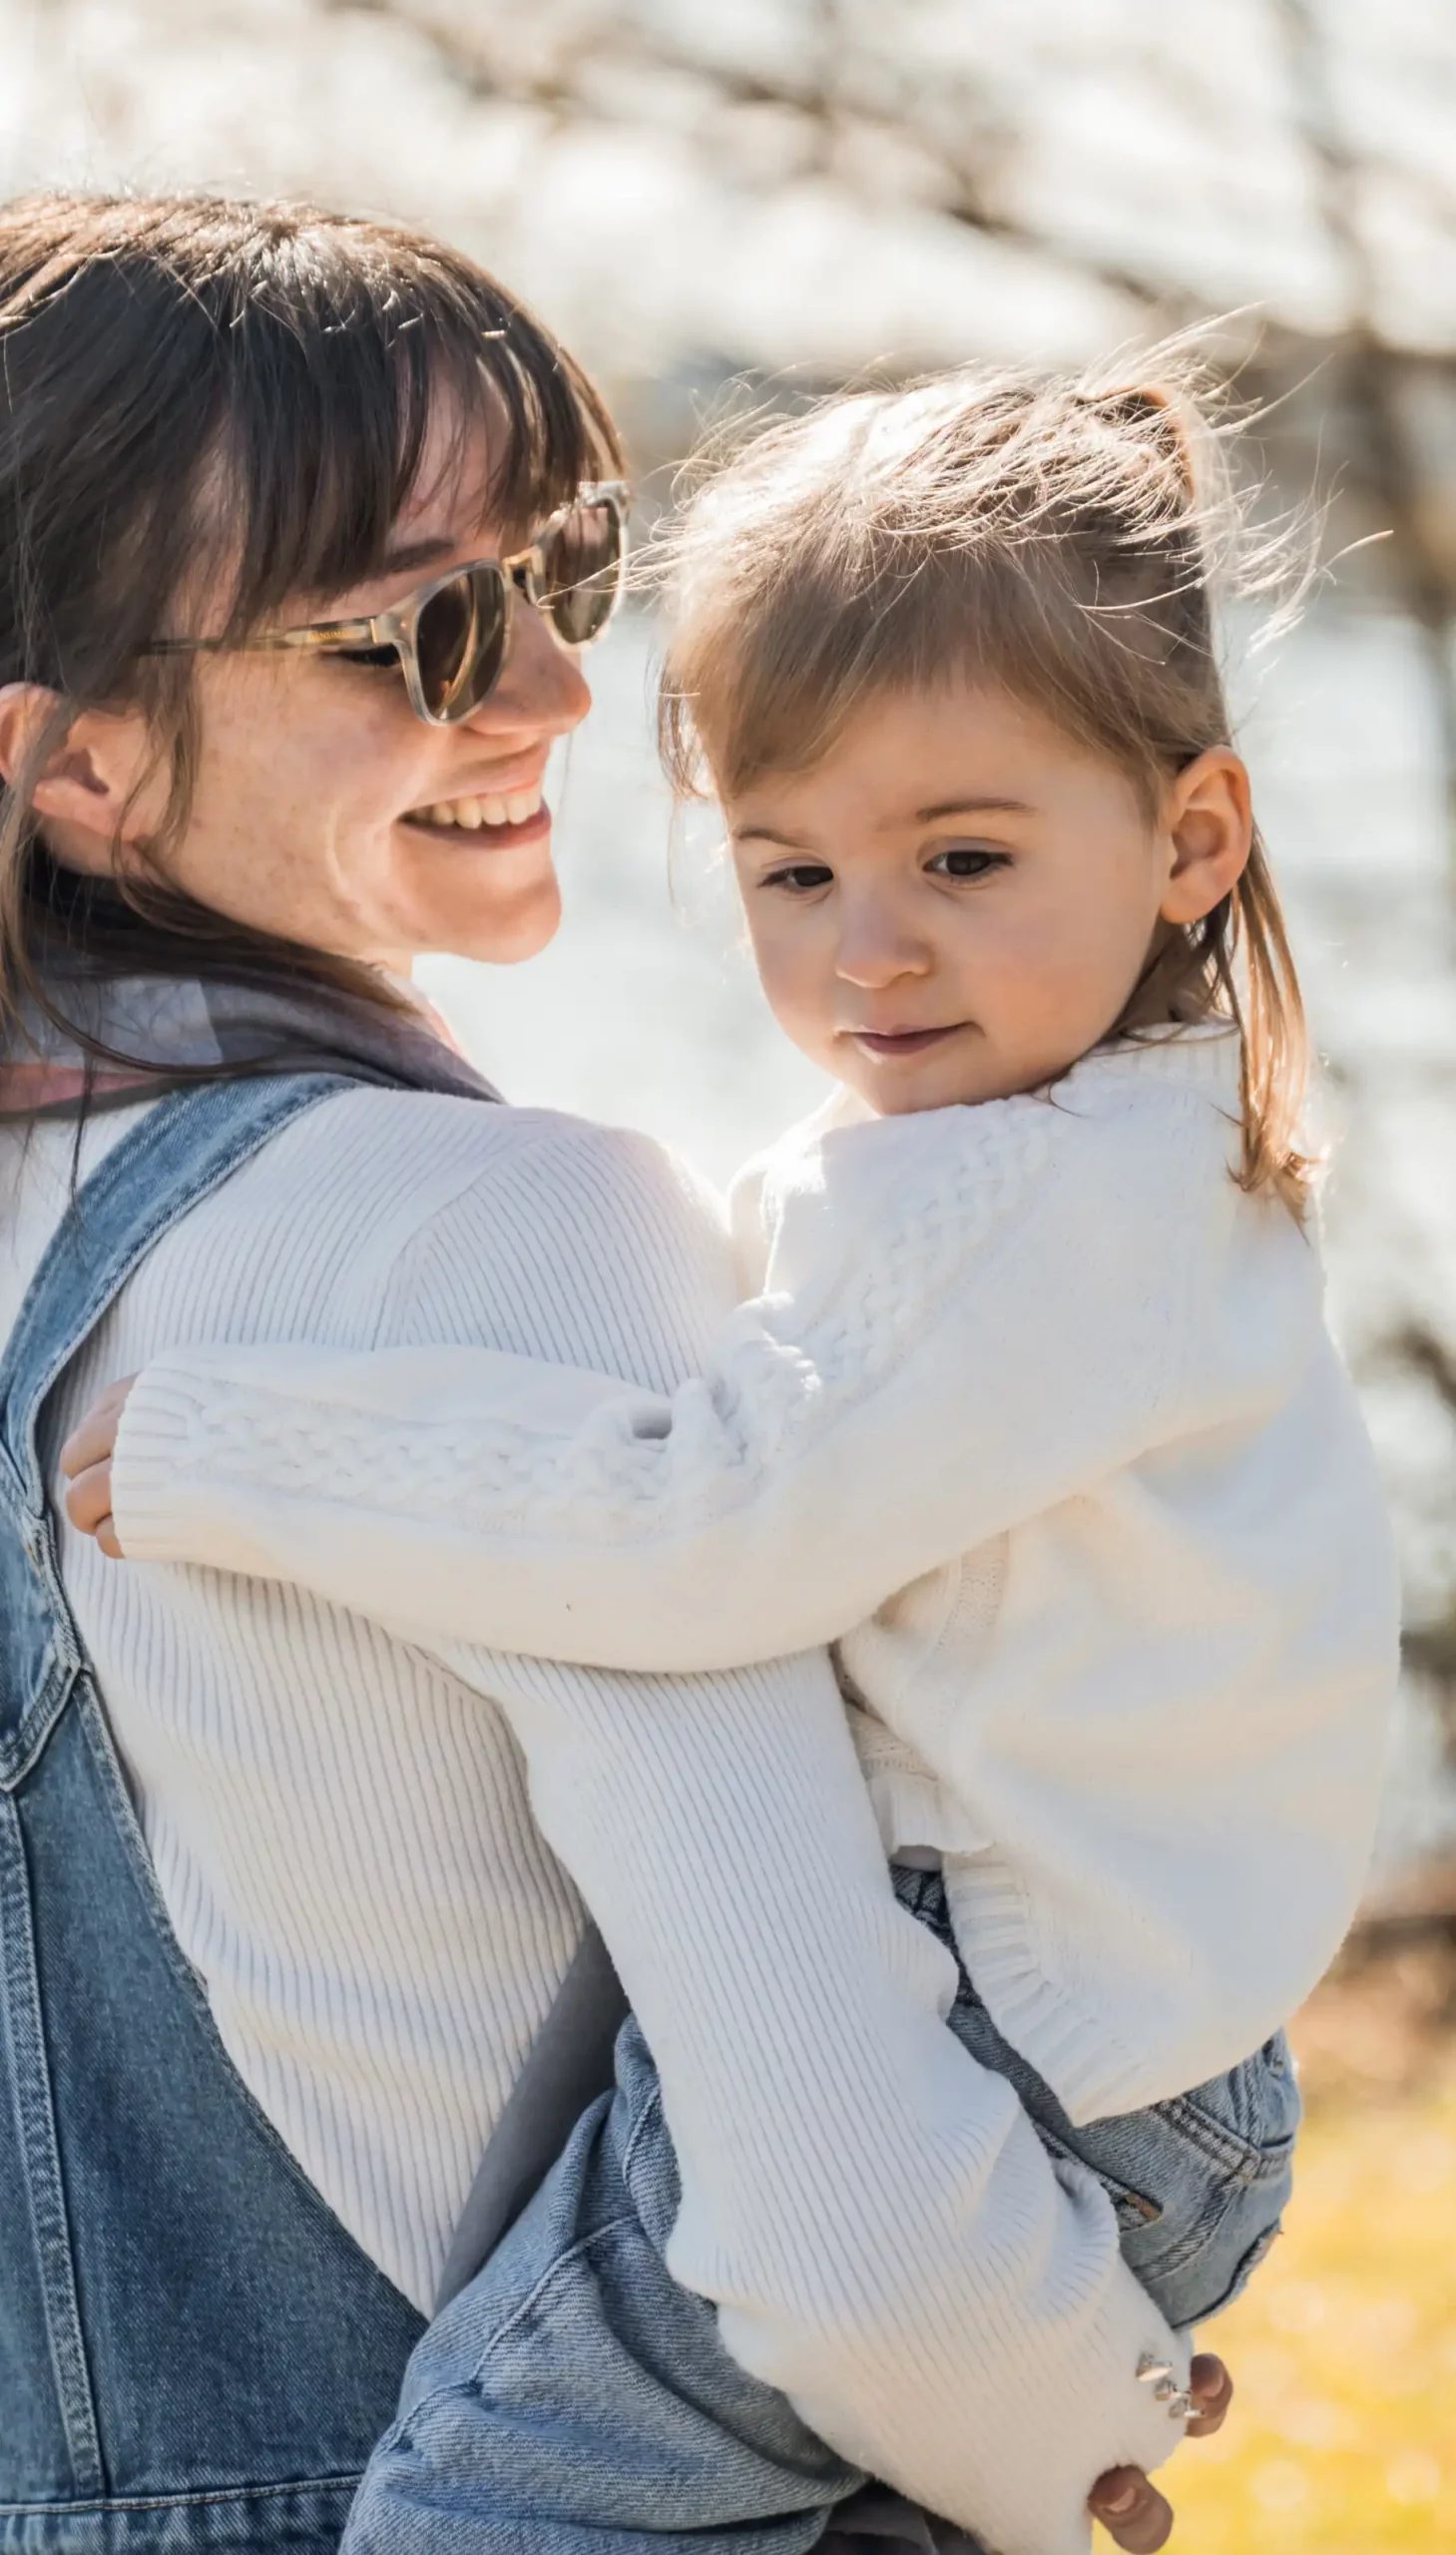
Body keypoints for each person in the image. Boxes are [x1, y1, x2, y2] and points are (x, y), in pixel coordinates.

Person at [0, 193, 1225, 2555]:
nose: (565, 692)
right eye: (429, 630)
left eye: (568, 570)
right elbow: (850, 2212)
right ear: (84, 768)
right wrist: (1075, 2418)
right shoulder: (489, 1228)